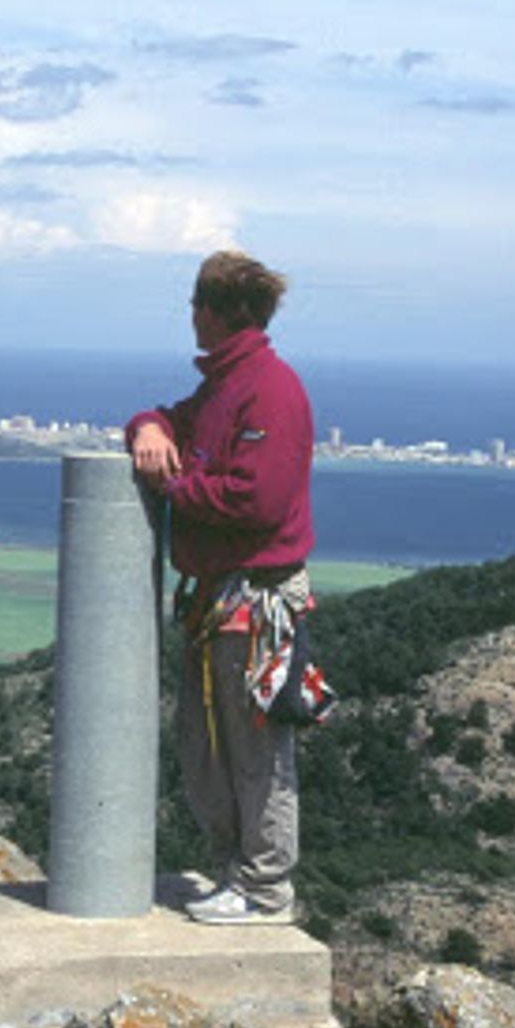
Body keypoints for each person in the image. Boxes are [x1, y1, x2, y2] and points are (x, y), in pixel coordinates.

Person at [126, 250, 315, 925]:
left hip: (254, 600)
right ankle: (237, 874)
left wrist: (172, 487)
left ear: (215, 311)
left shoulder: (269, 390)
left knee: (253, 749)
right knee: (206, 747)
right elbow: (166, 419)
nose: (190, 317)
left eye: (195, 305)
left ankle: (265, 891)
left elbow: (257, 500)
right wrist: (148, 427)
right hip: (219, 600)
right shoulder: (227, 386)